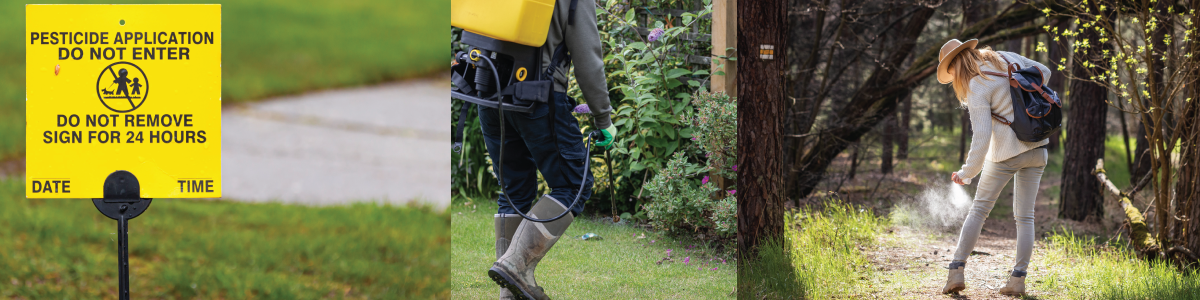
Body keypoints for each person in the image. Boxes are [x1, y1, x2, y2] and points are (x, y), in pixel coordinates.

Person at [480, 0, 615, 299]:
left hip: (486, 89)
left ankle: (510, 292)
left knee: (513, 191)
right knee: (573, 185)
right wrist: (603, 117)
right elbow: (587, 55)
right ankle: (515, 265)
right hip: (536, 96)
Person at [935, 39, 1051, 296]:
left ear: (955, 65)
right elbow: (1045, 71)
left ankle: (956, 271)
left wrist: (966, 174)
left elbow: (982, 139)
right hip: (1038, 147)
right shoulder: (1004, 58)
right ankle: (1018, 280)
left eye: (950, 72)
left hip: (1005, 155)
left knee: (978, 211)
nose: (953, 78)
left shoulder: (977, 85)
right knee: (1025, 217)